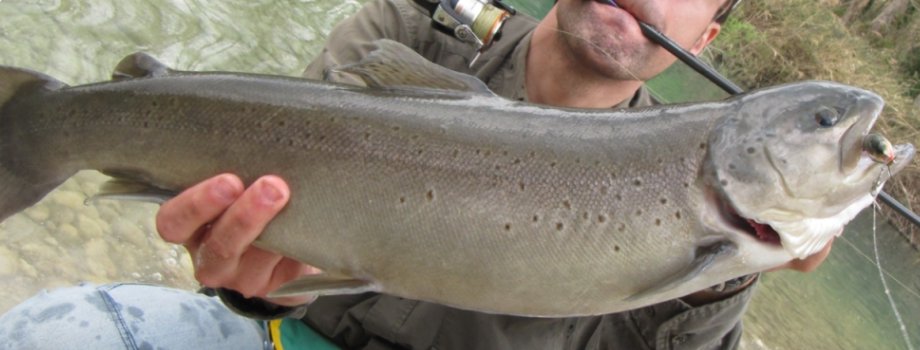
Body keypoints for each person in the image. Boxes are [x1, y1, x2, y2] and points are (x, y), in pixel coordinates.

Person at [0, 0, 835, 349]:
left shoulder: (717, 206)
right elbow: (266, 243)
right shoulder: (412, 27)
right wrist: (263, 286)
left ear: (710, 37)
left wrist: (713, 280)